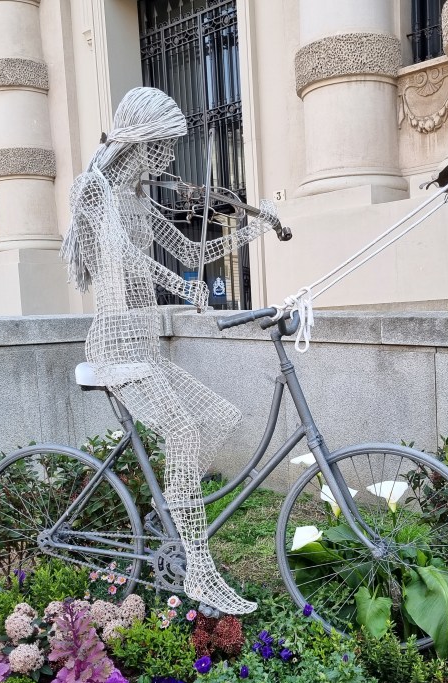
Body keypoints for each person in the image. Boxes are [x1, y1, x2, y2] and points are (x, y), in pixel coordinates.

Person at [60, 87, 279, 615]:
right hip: (114, 346)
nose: (171, 156)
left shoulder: (141, 199)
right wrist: (180, 286)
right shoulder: (94, 190)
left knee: (220, 417)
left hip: (146, 347)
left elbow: (189, 249)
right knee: (182, 433)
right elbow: (123, 254)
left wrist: (255, 228)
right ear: (142, 140)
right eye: (165, 144)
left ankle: (175, 509)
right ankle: (199, 571)